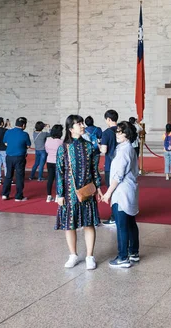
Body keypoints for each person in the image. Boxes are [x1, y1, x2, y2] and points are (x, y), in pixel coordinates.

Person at [55, 115, 103, 270]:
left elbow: (94, 170)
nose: (82, 126)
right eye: (79, 124)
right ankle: (73, 255)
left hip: (87, 190)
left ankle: (90, 256)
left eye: (82, 123)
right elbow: (59, 172)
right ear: (70, 129)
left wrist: (99, 188)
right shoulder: (63, 148)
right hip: (69, 191)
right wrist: (60, 194)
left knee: (88, 224)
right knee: (70, 225)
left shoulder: (89, 146)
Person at [101, 121, 140, 268]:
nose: (117, 134)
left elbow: (118, 176)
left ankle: (123, 257)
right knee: (130, 223)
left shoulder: (124, 150)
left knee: (122, 225)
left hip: (122, 191)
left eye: (119, 132)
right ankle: (133, 252)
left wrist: (107, 194)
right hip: (128, 190)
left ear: (127, 134)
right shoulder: (127, 148)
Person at [1, 117, 31, 201]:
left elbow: (6, 143)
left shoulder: (8, 132)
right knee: (19, 176)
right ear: (24, 125)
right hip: (20, 157)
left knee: (8, 175)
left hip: (9, 157)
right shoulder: (25, 134)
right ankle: (18, 196)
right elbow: (28, 145)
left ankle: (5, 194)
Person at [100, 109, 119, 225]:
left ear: (108, 119)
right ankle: (121, 215)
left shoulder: (106, 133)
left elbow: (104, 150)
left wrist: (98, 146)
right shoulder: (122, 130)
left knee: (111, 191)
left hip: (110, 165)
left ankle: (114, 217)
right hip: (121, 164)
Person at [45, 124, 63, 202]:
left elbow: (47, 150)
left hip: (49, 161)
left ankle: (49, 196)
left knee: (50, 178)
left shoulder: (48, 140)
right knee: (58, 179)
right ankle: (57, 195)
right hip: (58, 162)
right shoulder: (61, 142)